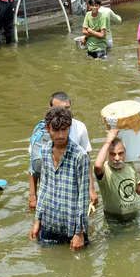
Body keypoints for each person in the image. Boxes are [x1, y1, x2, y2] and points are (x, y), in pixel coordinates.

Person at [29, 106, 90, 250]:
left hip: (72, 227)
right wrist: (37, 221)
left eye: (64, 130)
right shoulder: (44, 151)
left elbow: (83, 197)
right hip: (49, 223)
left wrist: (79, 233)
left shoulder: (79, 155)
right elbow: (43, 187)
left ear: (69, 127)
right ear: (47, 128)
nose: (60, 135)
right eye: (56, 130)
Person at [28, 91, 96, 210]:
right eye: (59, 108)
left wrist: (91, 189)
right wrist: (33, 197)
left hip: (72, 186)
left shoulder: (80, 128)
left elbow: (87, 160)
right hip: (50, 189)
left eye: (67, 108)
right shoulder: (42, 131)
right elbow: (33, 165)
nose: (64, 112)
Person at [93, 129, 140, 221]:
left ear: (125, 153)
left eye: (120, 153)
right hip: (114, 218)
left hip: (134, 216)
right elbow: (97, 166)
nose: (117, 158)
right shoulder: (105, 170)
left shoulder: (130, 166)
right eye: (112, 154)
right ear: (107, 154)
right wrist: (108, 141)